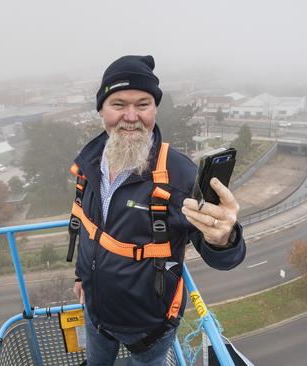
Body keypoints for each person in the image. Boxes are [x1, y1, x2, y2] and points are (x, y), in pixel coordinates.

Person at [69, 55, 246, 366]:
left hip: (148, 328)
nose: (131, 116)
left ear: (155, 109)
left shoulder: (179, 176)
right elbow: (88, 228)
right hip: (95, 312)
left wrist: (225, 238)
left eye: (143, 104)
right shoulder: (89, 163)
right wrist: (82, 275)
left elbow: (224, 255)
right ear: (101, 110)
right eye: (118, 104)